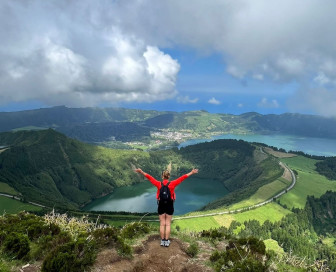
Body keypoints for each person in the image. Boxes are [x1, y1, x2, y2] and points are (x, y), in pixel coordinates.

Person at [134, 167, 198, 247]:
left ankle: (162, 241)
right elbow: (182, 178)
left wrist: (141, 171)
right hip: (169, 205)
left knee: (162, 224)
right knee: (168, 224)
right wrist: (191, 172)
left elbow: (149, 178)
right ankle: (166, 241)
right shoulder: (173, 183)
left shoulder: (158, 184)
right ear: (169, 176)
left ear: (162, 176)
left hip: (161, 204)